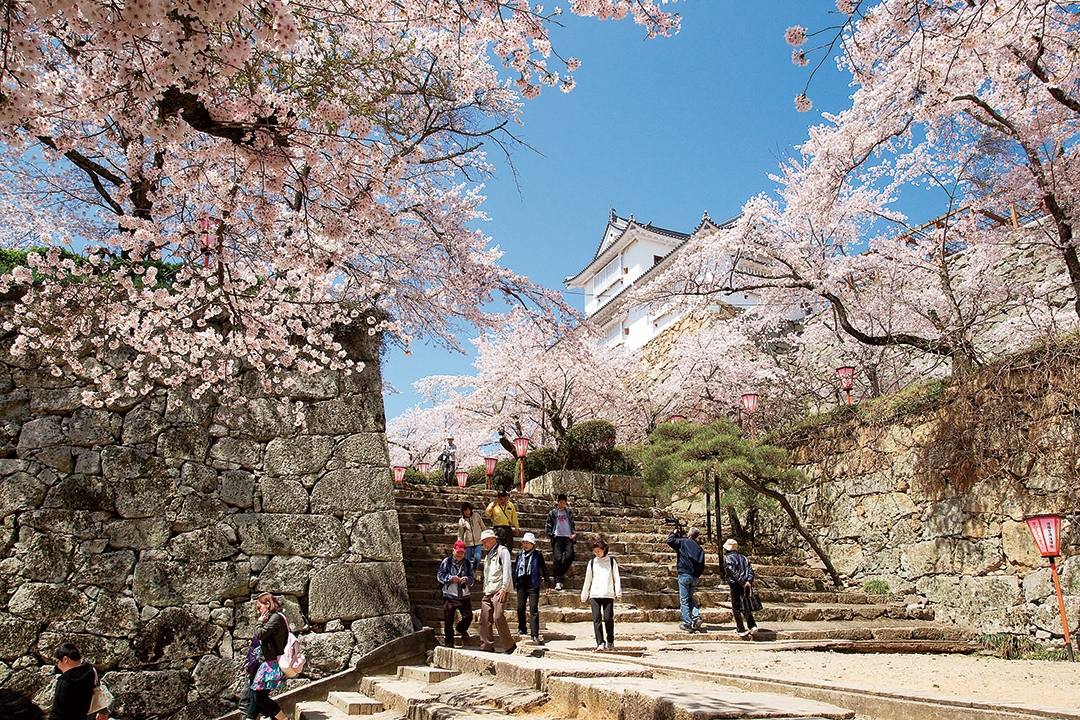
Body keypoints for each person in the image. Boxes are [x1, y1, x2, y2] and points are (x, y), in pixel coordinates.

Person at [246, 593, 290, 720]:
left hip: (271, 664)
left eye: (259, 608)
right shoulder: (273, 618)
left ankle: (284, 719)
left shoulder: (276, 618)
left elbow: (260, 634)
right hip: (267, 662)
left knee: (258, 697)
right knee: (257, 696)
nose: (258, 612)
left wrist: (260, 622)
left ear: (268, 604)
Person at [478, 529, 517, 654]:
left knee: (498, 616)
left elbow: (507, 570)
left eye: (485, 542)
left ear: (493, 539)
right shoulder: (488, 555)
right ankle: (487, 645)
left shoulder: (503, 551)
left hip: (499, 590)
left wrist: (504, 588)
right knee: (484, 618)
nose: (484, 545)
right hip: (488, 590)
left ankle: (509, 645)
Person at [580, 539, 621, 652]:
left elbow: (616, 578)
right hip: (595, 594)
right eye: (595, 551)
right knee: (596, 619)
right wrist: (584, 594)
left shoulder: (611, 562)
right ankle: (600, 642)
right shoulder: (592, 563)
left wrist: (618, 591)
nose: (597, 553)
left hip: (608, 594)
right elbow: (588, 579)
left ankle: (610, 640)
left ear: (604, 550)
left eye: (599, 551)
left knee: (608, 618)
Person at [513, 532, 551, 643]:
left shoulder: (537, 555)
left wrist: (547, 584)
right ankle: (522, 628)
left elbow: (543, 569)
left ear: (532, 544)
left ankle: (534, 633)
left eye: (527, 543)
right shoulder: (520, 554)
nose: (525, 545)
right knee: (520, 607)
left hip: (533, 584)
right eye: (524, 543)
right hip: (521, 584)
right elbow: (515, 568)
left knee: (533, 609)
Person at [667, 525, 706, 632]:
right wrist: (697, 575)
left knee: (684, 600)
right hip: (694, 576)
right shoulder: (699, 549)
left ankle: (687, 623)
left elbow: (670, 541)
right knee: (690, 598)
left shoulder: (683, 542)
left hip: (684, 574)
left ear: (688, 534)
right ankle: (696, 616)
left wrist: (674, 533)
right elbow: (702, 565)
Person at [437, 540, 474, 648]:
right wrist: (451, 579)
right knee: (448, 619)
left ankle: (461, 629)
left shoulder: (467, 563)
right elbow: (440, 576)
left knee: (468, 616)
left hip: (464, 595)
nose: (459, 554)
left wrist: (466, 579)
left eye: (462, 552)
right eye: (458, 552)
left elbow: (472, 579)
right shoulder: (447, 562)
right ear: (453, 551)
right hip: (450, 595)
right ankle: (449, 641)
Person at [49, 643, 98, 720]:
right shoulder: (90, 672)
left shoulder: (64, 681)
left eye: (57, 661)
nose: (57, 665)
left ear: (65, 659)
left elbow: (57, 712)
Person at [723, 539, 758, 638]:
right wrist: (748, 581)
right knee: (746, 605)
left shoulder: (728, 559)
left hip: (735, 584)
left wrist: (741, 582)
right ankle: (752, 625)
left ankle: (740, 628)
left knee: (736, 607)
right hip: (746, 585)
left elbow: (732, 572)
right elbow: (750, 570)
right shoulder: (744, 558)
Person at [544, 494, 576, 590]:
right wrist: (550, 534)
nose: (562, 504)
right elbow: (548, 524)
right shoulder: (553, 512)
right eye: (560, 502)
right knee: (557, 559)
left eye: (564, 502)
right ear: (558, 502)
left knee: (570, 556)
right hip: (557, 537)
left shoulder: (568, 512)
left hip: (568, 537)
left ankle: (560, 574)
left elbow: (572, 524)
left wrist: (574, 533)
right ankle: (558, 581)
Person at [457, 501, 485, 570]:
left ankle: (474, 569)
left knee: (477, 558)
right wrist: (459, 543)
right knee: (467, 559)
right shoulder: (462, 520)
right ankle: (468, 571)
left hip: (478, 541)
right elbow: (460, 533)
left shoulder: (476, 516)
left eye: (468, 510)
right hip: (468, 543)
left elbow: (483, 527)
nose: (466, 512)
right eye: (465, 511)